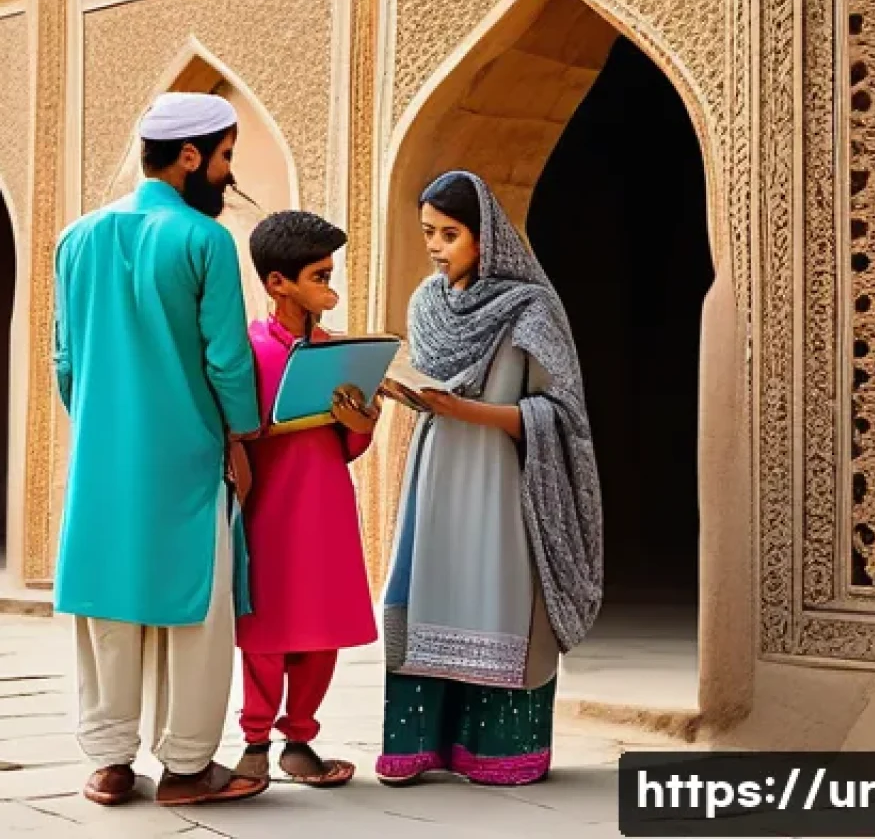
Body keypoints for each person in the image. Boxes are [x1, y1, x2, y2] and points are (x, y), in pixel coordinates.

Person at [53, 92, 269, 808]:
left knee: (108, 611)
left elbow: (64, 363)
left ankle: (110, 764)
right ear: (189, 157)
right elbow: (228, 361)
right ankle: (185, 767)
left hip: (101, 462)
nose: (226, 173)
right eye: (226, 156)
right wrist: (243, 433)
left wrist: (105, 423)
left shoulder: (75, 238)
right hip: (186, 456)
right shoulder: (205, 242)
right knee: (195, 613)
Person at [375, 170, 603, 787]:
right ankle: (423, 746)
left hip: (505, 479)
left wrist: (467, 410)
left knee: (495, 596)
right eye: (429, 233)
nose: (436, 246)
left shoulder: (531, 308)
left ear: (488, 238)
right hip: (437, 468)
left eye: (451, 233)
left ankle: (501, 752)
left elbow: (562, 415)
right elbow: (420, 379)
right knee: (430, 587)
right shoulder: (427, 302)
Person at [232, 211, 380, 787]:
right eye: (319, 273)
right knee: (266, 628)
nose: (329, 285)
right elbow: (235, 427)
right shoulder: (245, 348)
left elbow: (348, 446)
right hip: (267, 509)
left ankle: (300, 739)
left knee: (320, 626)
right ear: (278, 283)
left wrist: (361, 420)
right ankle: (253, 743)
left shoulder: (337, 350)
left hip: (327, 507)